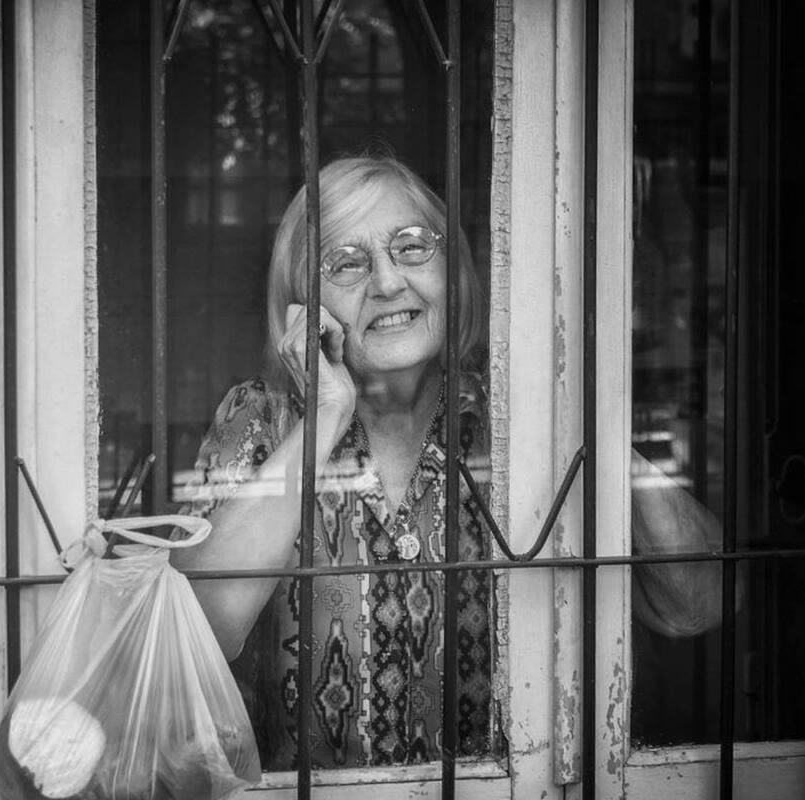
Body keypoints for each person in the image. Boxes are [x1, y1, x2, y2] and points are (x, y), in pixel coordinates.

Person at [169, 156, 724, 770]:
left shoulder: (519, 420)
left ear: (451, 270)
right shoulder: (264, 420)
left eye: (411, 248)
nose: (385, 283)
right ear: (304, 304)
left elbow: (694, 607)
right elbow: (196, 638)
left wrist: (580, 400)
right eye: (346, 264)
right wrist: (324, 416)